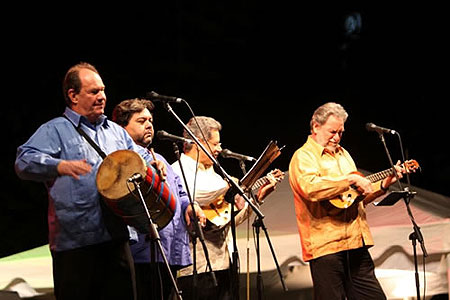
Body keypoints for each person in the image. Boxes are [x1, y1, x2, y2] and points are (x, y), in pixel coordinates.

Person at [14, 62, 168, 300]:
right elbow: (24, 161)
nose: (102, 96)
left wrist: (152, 165)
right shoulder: (55, 130)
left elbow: (139, 158)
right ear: (73, 95)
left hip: (117, 237)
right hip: (76, 243)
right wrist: (59, 165)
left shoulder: (116, 132)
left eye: (103, 90)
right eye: (94, 91)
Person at [288, 102, 405, 300]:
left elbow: (353, 198)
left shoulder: (344, 155)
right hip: (326, 246)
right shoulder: (303, 156)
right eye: (332, 131)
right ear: (316, 127)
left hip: (355, 242)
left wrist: (384, 185)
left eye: (341, 132)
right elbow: (311, 188)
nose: (337, 137)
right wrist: (350, 179)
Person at [171, 116, 283, 300]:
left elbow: (225, 221)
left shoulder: (215, 175)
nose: (219, 149)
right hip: (197, 269)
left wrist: (256, 199)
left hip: (225, 263)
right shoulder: (178, 170)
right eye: (215, 144)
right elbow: (197, 194)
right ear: (199, 143)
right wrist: (235, 186)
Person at [111, 98, 206, 300]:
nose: (149, 125)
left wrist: (190, 205)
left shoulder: (160, 159)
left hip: (169, 250)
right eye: (141, 121)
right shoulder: (120, 159)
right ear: (122, 127)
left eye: (151, 121)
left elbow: (180, 192)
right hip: (143, 253)